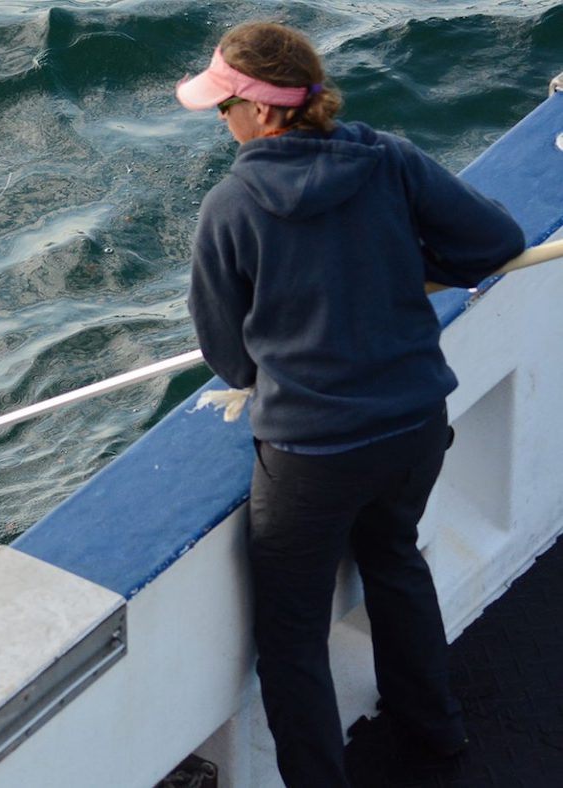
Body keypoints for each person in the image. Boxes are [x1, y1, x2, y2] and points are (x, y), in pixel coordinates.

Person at [174, 21, 525, 788]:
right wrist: (412, 266)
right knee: (394, 559)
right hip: (413, 427)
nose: (222, 121)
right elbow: (494, 242)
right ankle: (437, 733)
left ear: (265, 113)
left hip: (313, 458)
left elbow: (230, 360)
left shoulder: (230, 207)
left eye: (226, 105)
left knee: (292, 635)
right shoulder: (387, 158)